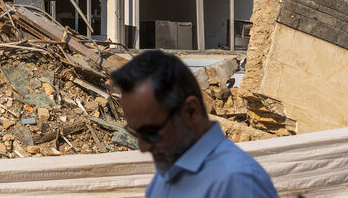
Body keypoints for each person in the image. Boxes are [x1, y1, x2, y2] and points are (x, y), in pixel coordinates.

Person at [111, 49, 278, 197]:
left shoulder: (236, 182)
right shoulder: (168, 173)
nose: (143, 147)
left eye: (151, 132)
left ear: (191, 111)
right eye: (136, 133)